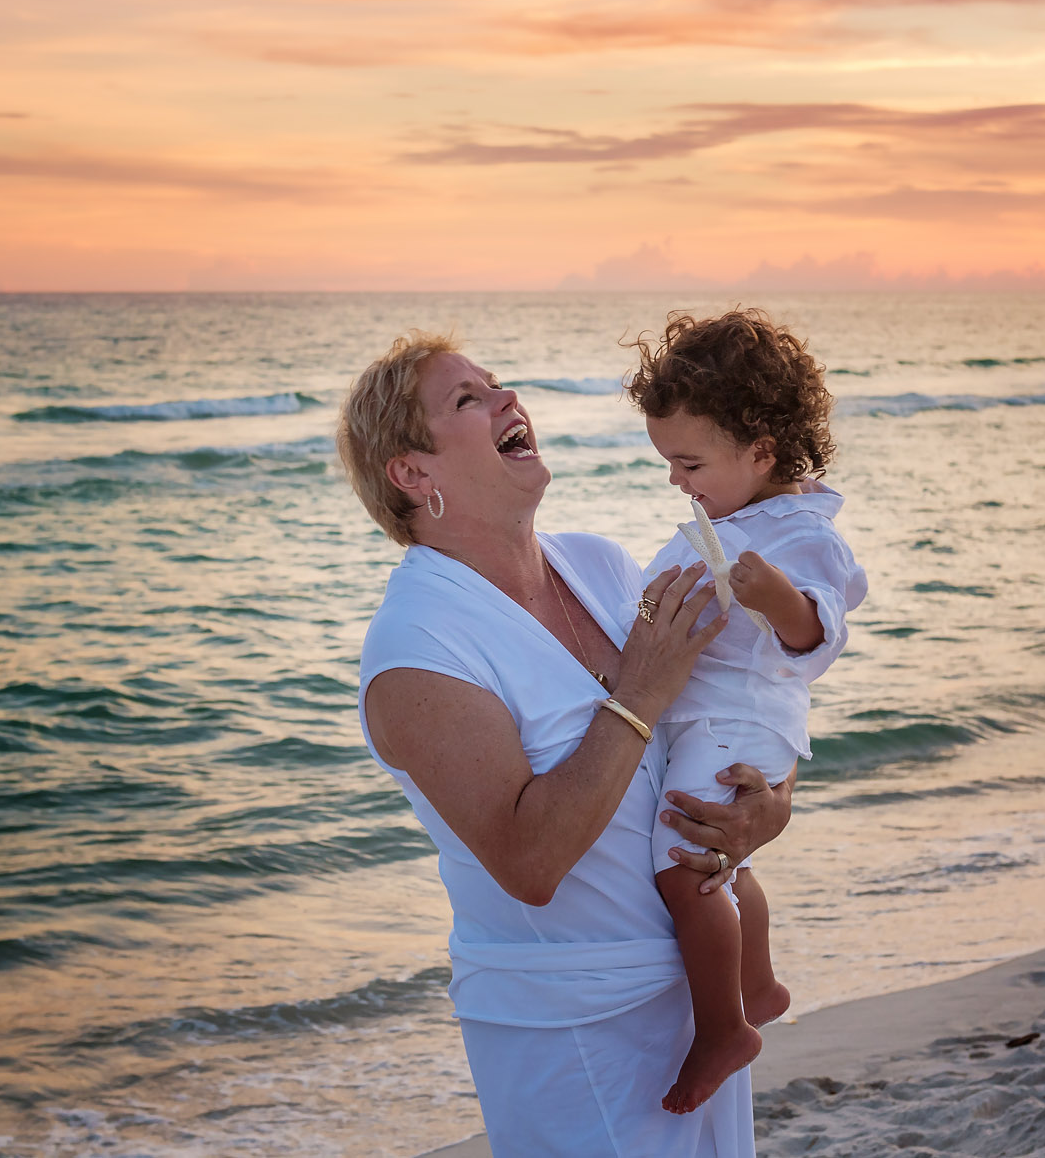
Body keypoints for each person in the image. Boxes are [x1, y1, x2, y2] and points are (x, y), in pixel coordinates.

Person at [340, 329, 794, 1157]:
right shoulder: (415, 648)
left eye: (499, 384)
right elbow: (530, 860)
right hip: (571, 1032)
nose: (509, 400)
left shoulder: (600, 565)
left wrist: (768, 807)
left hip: (699, 991)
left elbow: (736, 704)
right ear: (413, 472)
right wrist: (642, 686)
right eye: (469, 400)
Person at [625, 309, 869, 1115]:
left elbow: (819, 633)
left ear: (760, 450)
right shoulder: (732, 515)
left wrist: (781, 600)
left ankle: (722, 1026)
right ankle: (757, 983)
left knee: (683, 862)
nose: (675, 479)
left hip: (741, 715)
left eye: (688, 461)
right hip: (714, 716)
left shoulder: (799, 530)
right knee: (733, 863)